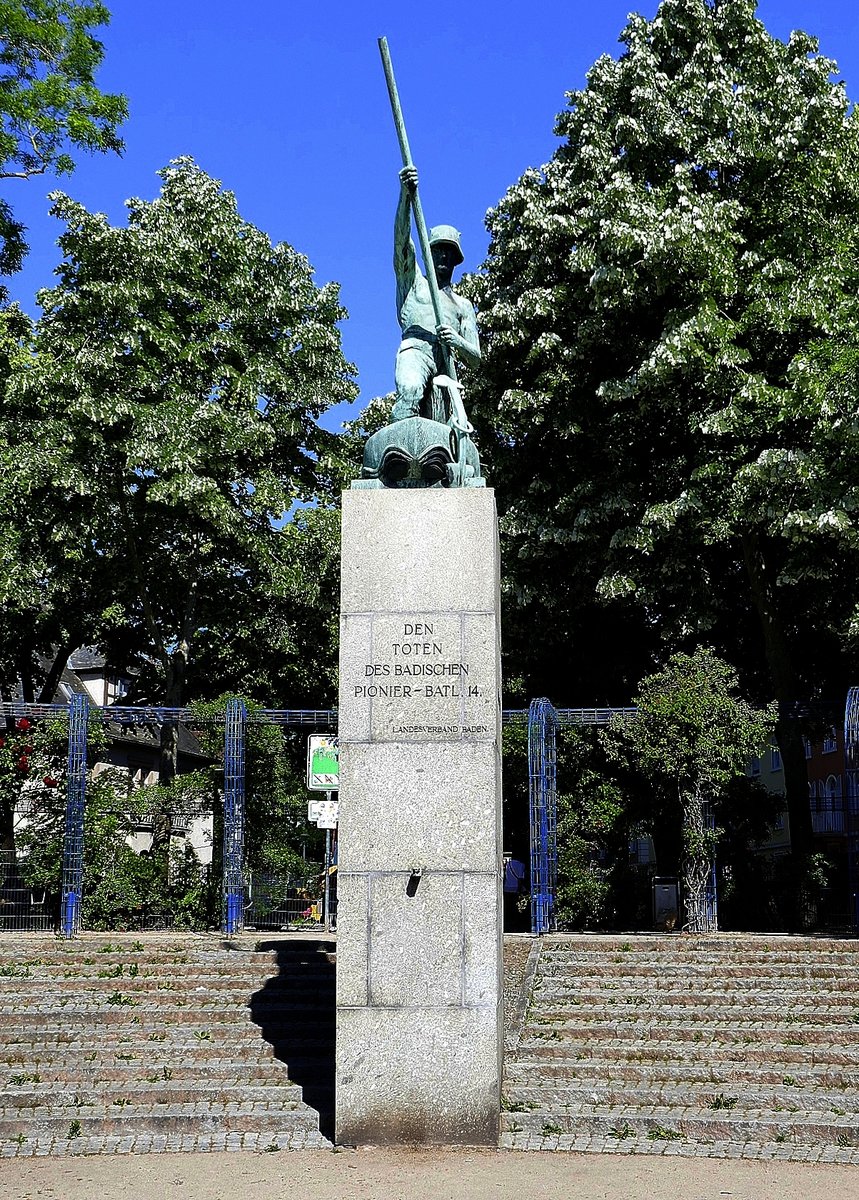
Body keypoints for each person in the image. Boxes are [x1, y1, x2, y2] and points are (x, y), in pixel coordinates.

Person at [391, 165, 481, 422]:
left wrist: (456, 341)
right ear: (429, 252)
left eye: (448, 252)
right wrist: (405, 196)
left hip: (444, 365)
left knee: (450, 431)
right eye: (439, 249)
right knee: (409, 390)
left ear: (456, 259)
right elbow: (401, 241)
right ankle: (399, 446)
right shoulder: (414, 282)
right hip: (415, 350)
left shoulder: (463, 305)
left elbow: (475, 359)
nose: (443, 255)